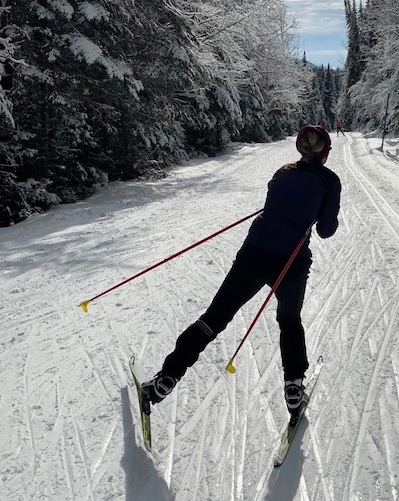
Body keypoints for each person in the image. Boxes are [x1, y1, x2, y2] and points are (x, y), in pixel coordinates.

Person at [141, 125, 342, 414]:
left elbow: (275, 206)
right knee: (289, 321)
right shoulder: (330, 181)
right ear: (325, 152)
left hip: (255, 252)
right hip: (291, 261)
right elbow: (326, 230)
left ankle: (166, 378)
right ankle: (294, 387)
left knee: (214, 318)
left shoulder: (283, 172)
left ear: (300, 147)